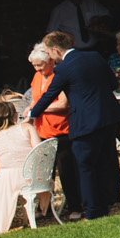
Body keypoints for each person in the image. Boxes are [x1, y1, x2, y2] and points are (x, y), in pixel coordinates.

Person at [30, 30, 120, 219]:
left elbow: (49, 95)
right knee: (104, 162)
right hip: (108, 117)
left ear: (56, 50)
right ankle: (105, 203)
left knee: (85, 165)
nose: (49, 56)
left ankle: (92, 210)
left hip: (85, 122)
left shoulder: (63, 69)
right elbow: (113, 83)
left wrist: (32, 113)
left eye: (49, 53)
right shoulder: (95, 56)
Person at [0, 98, 44, 235]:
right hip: (32, 176)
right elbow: (39, 152)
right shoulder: (27, 128)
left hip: (8, 179)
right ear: (14, 115)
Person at [26, 45, 76, 217]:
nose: (38, 69)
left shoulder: (59, 75)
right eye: (35, 66)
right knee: (43, 172)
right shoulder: (36, 77)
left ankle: (75, 206)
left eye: (41, 65)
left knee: (66, 171)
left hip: (61, 129)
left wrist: (40, 109)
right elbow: (35, 100)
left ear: (50, 61)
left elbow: (63, 103)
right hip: (42, 130)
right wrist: (31, 110)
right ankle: (44, 208)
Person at [47, 0, 111, 54]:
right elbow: (51, 32)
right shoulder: (59, 10)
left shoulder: (91, 3)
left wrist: (99, 20)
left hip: (95, 48)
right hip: (73, 51)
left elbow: (108, 16)